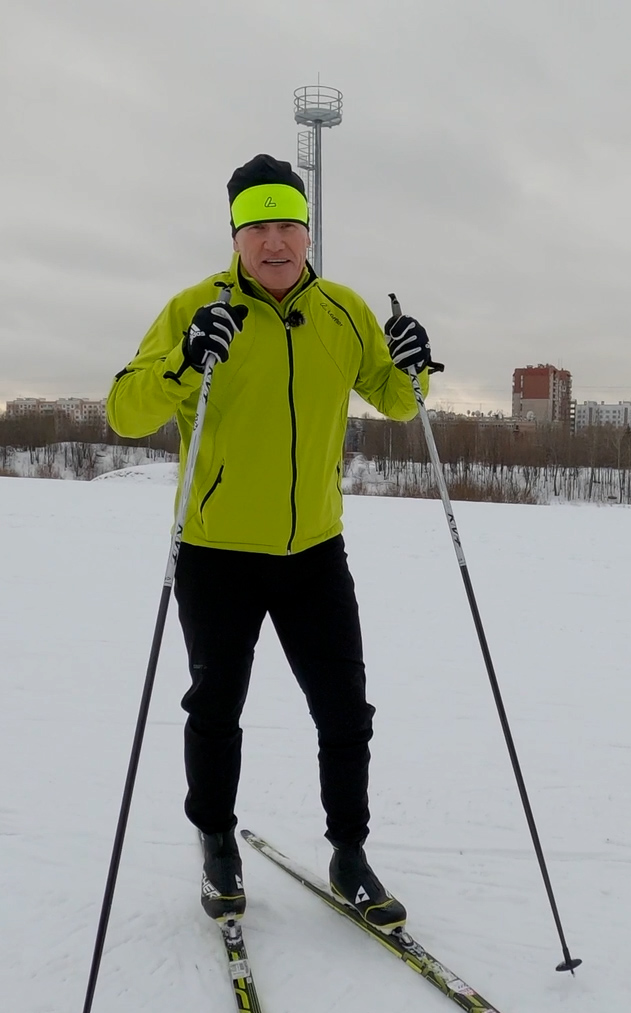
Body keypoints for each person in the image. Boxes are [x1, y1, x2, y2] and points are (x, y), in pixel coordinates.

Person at [105, 154, 438, 929]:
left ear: (308, 231)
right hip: (216, 552)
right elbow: (124, 409)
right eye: (258, 227)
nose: (275, 241)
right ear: (236, 235)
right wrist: (187, 361)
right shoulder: (197, 307)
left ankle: (349, 855)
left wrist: (417, 363)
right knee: (216, 707)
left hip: (314, 553)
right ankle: (217, 841)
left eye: (287, 224)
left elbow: (396, 400)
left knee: (345, 713)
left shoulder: (344, 312)